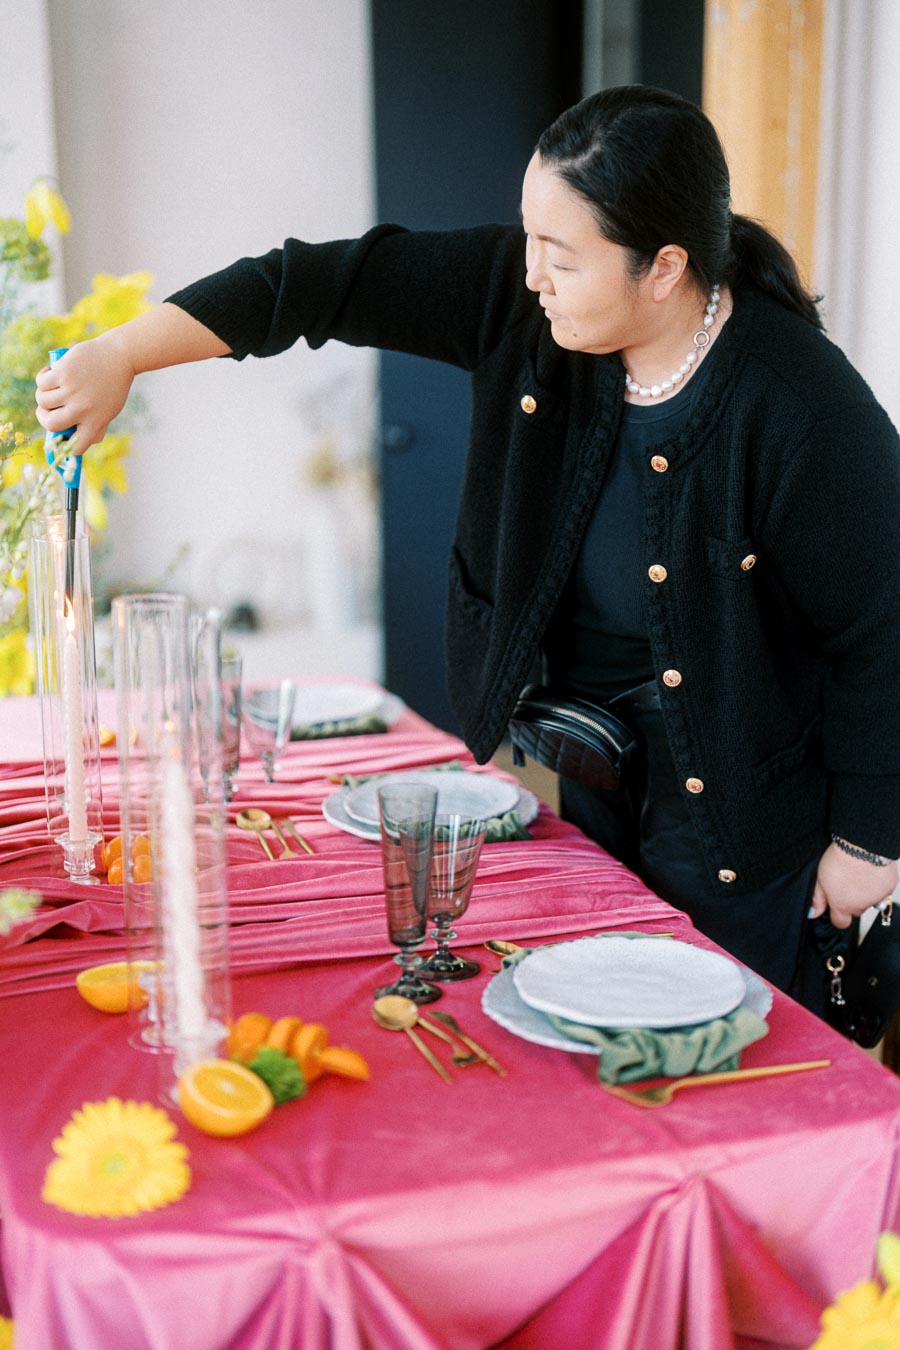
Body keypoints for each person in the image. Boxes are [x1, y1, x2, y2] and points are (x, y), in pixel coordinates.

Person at [35, 85, 900, 1018]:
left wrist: (869, 846)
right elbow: (320, 284)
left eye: (560, 258)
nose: (530, 274)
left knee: (742, 1048)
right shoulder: (522, 303)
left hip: (751, 811)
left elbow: (885, 627)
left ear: (664, 268)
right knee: (612, 1021)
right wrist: (124, 352)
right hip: (599, 776)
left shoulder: (798, 402)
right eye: (529, 238)